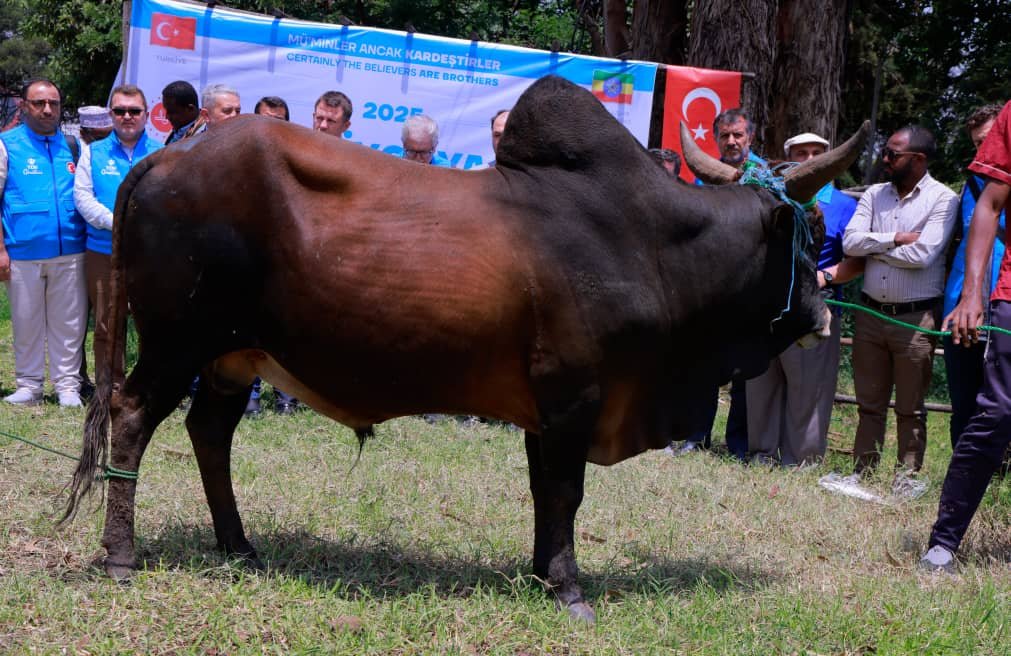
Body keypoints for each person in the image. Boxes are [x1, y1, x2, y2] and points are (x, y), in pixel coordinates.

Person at [920, 99, 1011, 573]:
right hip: (1004, 295)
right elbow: (990, 207)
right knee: (993, 412)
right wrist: (971, 294)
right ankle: (944, 542)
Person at [842, 125, 959, 487]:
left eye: (894, 154)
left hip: (915, 317)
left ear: (918, 159)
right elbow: (850, 242)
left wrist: (875, 248)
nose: (885, 159)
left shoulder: (943, 199)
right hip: (871, 312)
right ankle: (863, 472)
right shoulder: (875, 193)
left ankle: (906, 478)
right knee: (869, 402)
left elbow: (924, 254)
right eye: (886, 151)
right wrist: (895, 238)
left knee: (911, 406)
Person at [745, 132, 862, 465]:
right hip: (769, 306)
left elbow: (857, 260)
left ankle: (801, 461)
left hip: (816, 304)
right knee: (761, 382)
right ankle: (761, 453)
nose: (810, 160)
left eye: (817, 153)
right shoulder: (770, 197)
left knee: (808, 388)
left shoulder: (844, 204)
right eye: (801, 153)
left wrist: (825, 276)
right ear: (789, 158)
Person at [670, 108, 766, 459]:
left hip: (751, 290)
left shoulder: (764, 176)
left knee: (745, 371)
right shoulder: (702, 175)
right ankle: (697, 437)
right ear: (716, 139)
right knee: (704, 366)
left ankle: (739, 445)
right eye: (724, 135)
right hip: (711, 290)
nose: (731, 141)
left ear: (750, 138)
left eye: (738, 135)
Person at [0, 78, 88, 407]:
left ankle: (67, 386)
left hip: (71, 250)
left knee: (70, 323)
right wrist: (1, 250)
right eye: (39, 103)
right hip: (22, 251)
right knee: (26, 321)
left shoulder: (74, 145)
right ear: (24, 107)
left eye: (53, 102)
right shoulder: (6, 144)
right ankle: (29, 385)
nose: (47, 109)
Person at [74, 84, 163, 388]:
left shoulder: (162, 152)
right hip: (103, 251)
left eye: (134, 111)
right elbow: (83, 199)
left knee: (152, 322)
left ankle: (149, 386)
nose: (127, 116)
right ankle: (109, 384)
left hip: (150, 253)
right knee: (107, 324)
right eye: (120, 111)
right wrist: (118, 222)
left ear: (146, 115)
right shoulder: (92, 153)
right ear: (110, 114)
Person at [942, 104, 1007, 449]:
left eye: (991, 139)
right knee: (964, 405)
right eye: (978, 144)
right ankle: (963, 483)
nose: (985, 150)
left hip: (1004, 308)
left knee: (1001, 406)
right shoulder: (971, 185)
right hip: (962, 308)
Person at [248, 96, 299, 416]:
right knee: (248, 329)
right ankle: (250, 392)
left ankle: (286, 395)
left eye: (279, 121)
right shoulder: (239, 161)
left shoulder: (297, 161)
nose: (271, 128)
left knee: (285, 330)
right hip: (249, 262)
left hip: (286, 264)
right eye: (265, 120)